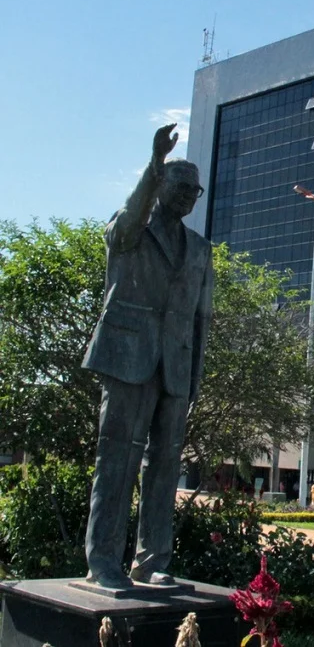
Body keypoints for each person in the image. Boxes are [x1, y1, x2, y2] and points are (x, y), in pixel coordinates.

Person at [81, 124, 214, 588]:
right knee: (116, 460)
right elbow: (130, 222)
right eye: (180, 188)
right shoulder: (129, 227)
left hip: (175, 370)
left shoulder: (200, 249)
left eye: (194, 192)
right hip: (128, 357)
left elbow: (201, 321)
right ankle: (103, 563)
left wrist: (194, 380)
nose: (188, 199)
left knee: (165, 466)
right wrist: (156, 164)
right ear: (161, 187)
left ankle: (153, 560)